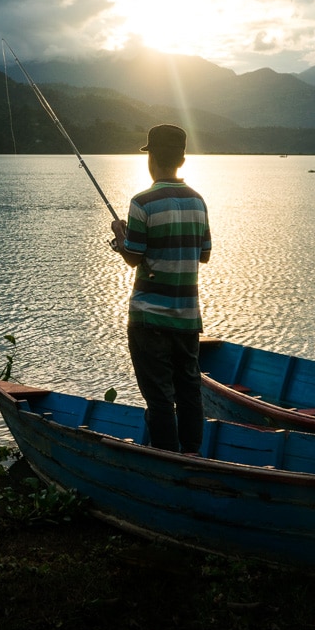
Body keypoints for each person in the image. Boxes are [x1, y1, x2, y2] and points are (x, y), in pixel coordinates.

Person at [109, 124, 212, 455]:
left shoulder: (143, 202)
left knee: (159, 397)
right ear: (182, 160)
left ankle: (166, 459)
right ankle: (193, 455)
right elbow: (204, 254)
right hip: (187, 318)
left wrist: (119, 236)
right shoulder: (199, 202)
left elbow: (133, 257)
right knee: (189, 390)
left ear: (151, 159)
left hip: (149, 319)